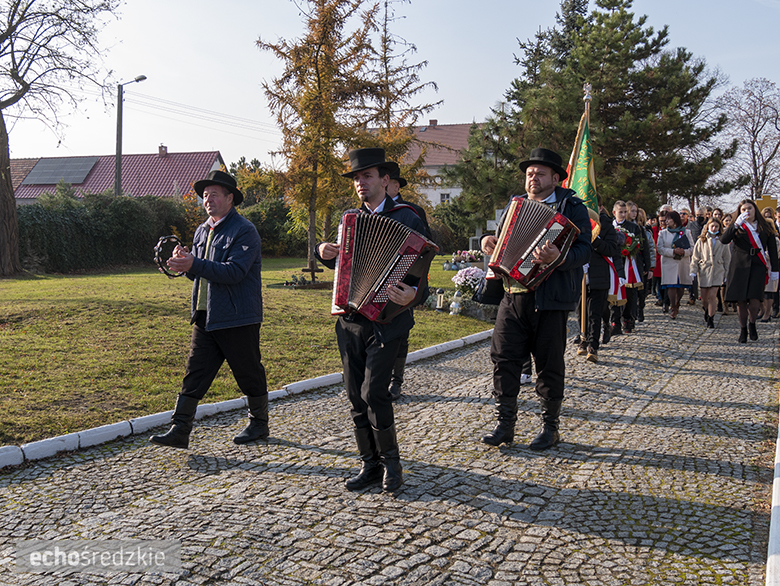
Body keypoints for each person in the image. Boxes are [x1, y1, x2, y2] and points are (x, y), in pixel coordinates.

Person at [315, 148, 427, 492]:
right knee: (354, 395)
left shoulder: (409, 217)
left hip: (388, 320)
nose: (361, 183)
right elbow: (348, 268)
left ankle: (392, 466)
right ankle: (370, 465)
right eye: (356, 178)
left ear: (385, 180)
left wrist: (413, 295)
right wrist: (325, 254)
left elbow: (419, 277)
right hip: (350, 319)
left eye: (367, 176)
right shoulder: (349, 219)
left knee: (374, 392)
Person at [480, 148, 591, 450]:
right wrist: (487, 242)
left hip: (550, 299)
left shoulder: (570, 208)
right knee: (504, 359)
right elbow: (502, 241)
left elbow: (585, 250)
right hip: (513, 295)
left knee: (549, 363)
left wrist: (560, 256)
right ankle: (505, 425)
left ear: (555, 178)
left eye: (540, 173)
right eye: (529, 173)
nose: (533, 178)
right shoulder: (515, 206)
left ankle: (550, 427)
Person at [150, 170, 268, 449]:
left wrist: (194, 264)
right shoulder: (203, 230)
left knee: (248, 371)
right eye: (205, 195)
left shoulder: (245, 230)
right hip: (206, 314)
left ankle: (259, 424)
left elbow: (235, 272)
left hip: (238, 317)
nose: (208, 199)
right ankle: (180, 429)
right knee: (195, 372)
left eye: (214, 194)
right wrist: (182, 265)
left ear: (230, 198)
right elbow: (199, 273)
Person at [384, 161, 430, 402]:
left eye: (390, 182)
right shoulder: (370, 210)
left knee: (401, 329)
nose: (387, 186)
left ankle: (396, 380)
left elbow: (427, 246)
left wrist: (416, 285)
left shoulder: (412, 212)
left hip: (405, 279)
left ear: (395, 185)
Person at [721, 199, 780, 342]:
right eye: (743, 209)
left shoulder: (765, 226)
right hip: (739, 266)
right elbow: (724, 240)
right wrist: (735, 225)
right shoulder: (738, 226)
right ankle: (743, 330)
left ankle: (752, 323)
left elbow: (772, 249)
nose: (747, 211)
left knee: (754, 300)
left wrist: (775, 270)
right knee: (741, 300)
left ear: (755, 210)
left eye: (750, 208)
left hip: (758, 265)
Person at [577, 194, 621, 363]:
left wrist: (594, 240)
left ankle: (593, 346)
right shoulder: (578, 222)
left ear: (601, 208)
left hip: (599, 274)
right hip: (581, 273)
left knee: (594, 312)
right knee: (581, 310)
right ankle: (583, 338)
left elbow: (611, 249)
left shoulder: (607, 225)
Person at [610, 200, 647, 334]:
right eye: (621, 212)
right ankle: (615, 322)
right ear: (614, 213)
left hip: (629, 264)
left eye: (625, 212)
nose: (624, 214)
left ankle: (628, 319)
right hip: (614, 263)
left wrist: (647, 266)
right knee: (614, 293)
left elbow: (642, 247)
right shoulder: (609, 226)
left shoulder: (633, 227)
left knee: (630, 294)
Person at [690, 218, 730, 328]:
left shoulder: (723, 241)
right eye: (712, 226)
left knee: (713, 295)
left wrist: (727, 275)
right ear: (708, 227)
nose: (714, 228)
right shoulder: (701, 241)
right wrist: (693, 271)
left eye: (716, 226)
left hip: (718, 271)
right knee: (704, 297)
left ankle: (711, 318)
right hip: (705, 270)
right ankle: (707, 310)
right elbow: (695, 257)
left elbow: (727, 259)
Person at [656, 211, 693, 319]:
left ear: (675, 220)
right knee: (671, 286)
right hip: (669, 262)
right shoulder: (663, 233)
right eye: (665, 219)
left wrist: (684, 252)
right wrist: (673, 252)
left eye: (669, 219)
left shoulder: (686, 232)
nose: (666, 221)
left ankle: (677, 302)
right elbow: (660, 248)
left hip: (682, 262)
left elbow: (692, 248)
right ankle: (673, 306)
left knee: (681, 287)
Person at [760, 207, 780, 321]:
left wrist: (760, 255)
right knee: (762, 292)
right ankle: (763, 311)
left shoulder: (776, 240)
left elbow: (774, 253)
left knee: (769, 292)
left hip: (770, 266)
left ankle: (768, 313)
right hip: (762, 266)